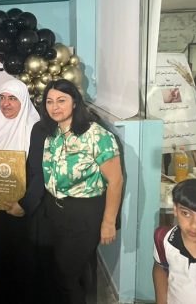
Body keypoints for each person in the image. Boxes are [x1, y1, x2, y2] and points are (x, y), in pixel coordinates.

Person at [40, 79, 124, 304]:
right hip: (56, 211)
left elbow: (116, 181)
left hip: (84, 214)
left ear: (75, 103)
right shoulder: (53, 134)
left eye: (61, 100)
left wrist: (108, 222)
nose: (55, 107)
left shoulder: (96, 135)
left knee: (67, 274)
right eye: (49, 101)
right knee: (67, 273)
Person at [0, 79, 43, 304]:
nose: (5, 104)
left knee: (22, 259)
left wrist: (24, 205)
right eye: (2, 97)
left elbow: (40, 174)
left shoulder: (34, 129)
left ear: (24, 101)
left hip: (22, 209)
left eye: (12, 98)